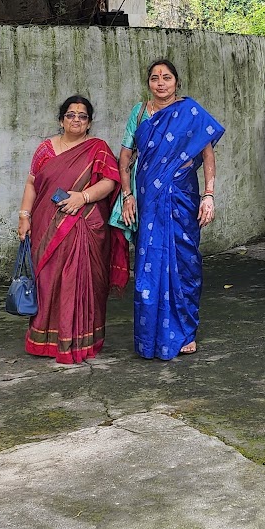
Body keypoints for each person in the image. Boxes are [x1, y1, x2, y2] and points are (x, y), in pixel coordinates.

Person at [118, 59, 224, 359]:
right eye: (154, 78)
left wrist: (209, 195)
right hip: (148, 202)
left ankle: (186, 333)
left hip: (182, 199)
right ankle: (150, 337)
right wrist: (127, 196)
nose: (160, 83)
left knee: (185, 265)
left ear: (177, 82)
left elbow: (207, 154)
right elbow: (124, 160)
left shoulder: (190, 113)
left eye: (166, 77)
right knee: (148, 270)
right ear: (148, 82)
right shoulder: (139, 113)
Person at [17, 96, 128, 364]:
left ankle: (80, 339)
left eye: (82, 116)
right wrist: (24, 216)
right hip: (46, 224)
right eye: (70, 115)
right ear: (60, 120)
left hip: (85, 225)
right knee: (47, 281)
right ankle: (46, 340)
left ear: (89, 123)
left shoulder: (97, 148)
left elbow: (110, 183)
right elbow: (32, 184)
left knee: (81, 282)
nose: (76, 120)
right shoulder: (45, 150)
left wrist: (83, 197)